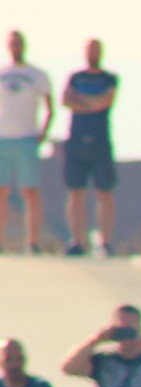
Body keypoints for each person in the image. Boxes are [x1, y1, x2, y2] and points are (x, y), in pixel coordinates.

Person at [61, 38, 116, 255]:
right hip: (76, 139)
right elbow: (67, 100)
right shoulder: (76, 77)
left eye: (96, 50)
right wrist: (92, 103)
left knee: (104, 191)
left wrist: (81, 101)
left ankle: (105, 242)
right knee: (76, 190)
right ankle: (77, 241)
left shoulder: (108, 78)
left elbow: (106, 101)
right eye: (90, 50)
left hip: (100, 140)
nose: (93, 53)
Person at [0, 32, 53, 255]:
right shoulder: (3, 73)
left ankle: (32, 242)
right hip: (3, 138)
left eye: (19, 43)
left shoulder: (37, 75)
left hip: (27, 139)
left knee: (30, 190)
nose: (16, 47)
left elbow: (50, 107)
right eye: (13, 43)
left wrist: (43, 133)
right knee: (1, 190)